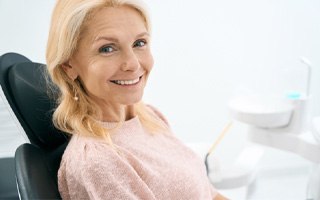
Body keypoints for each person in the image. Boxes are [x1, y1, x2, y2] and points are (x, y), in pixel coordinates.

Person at [46, 0, 228, 199]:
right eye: (107, 49)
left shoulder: (150, 117)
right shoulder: (97, 161)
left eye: (139, 43)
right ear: (68, 65)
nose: (133, 64)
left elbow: (208, 194)